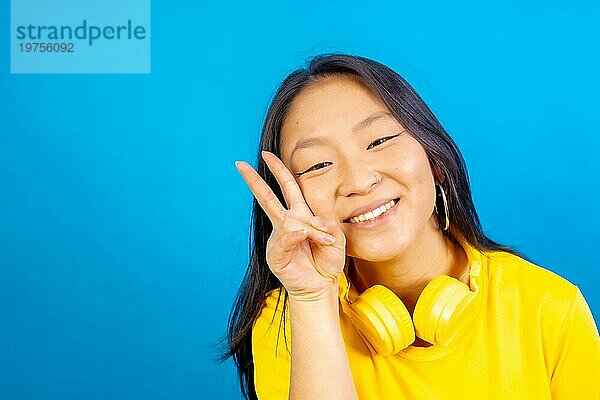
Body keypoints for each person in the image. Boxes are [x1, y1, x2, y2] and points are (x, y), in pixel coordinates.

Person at [220, 53, 600, 399]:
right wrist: (313, 299)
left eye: (379, 140)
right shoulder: (287, 322)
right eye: (319, 165)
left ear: (435, 159)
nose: (358, 181)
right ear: (292, 204)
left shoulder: (550, 308)